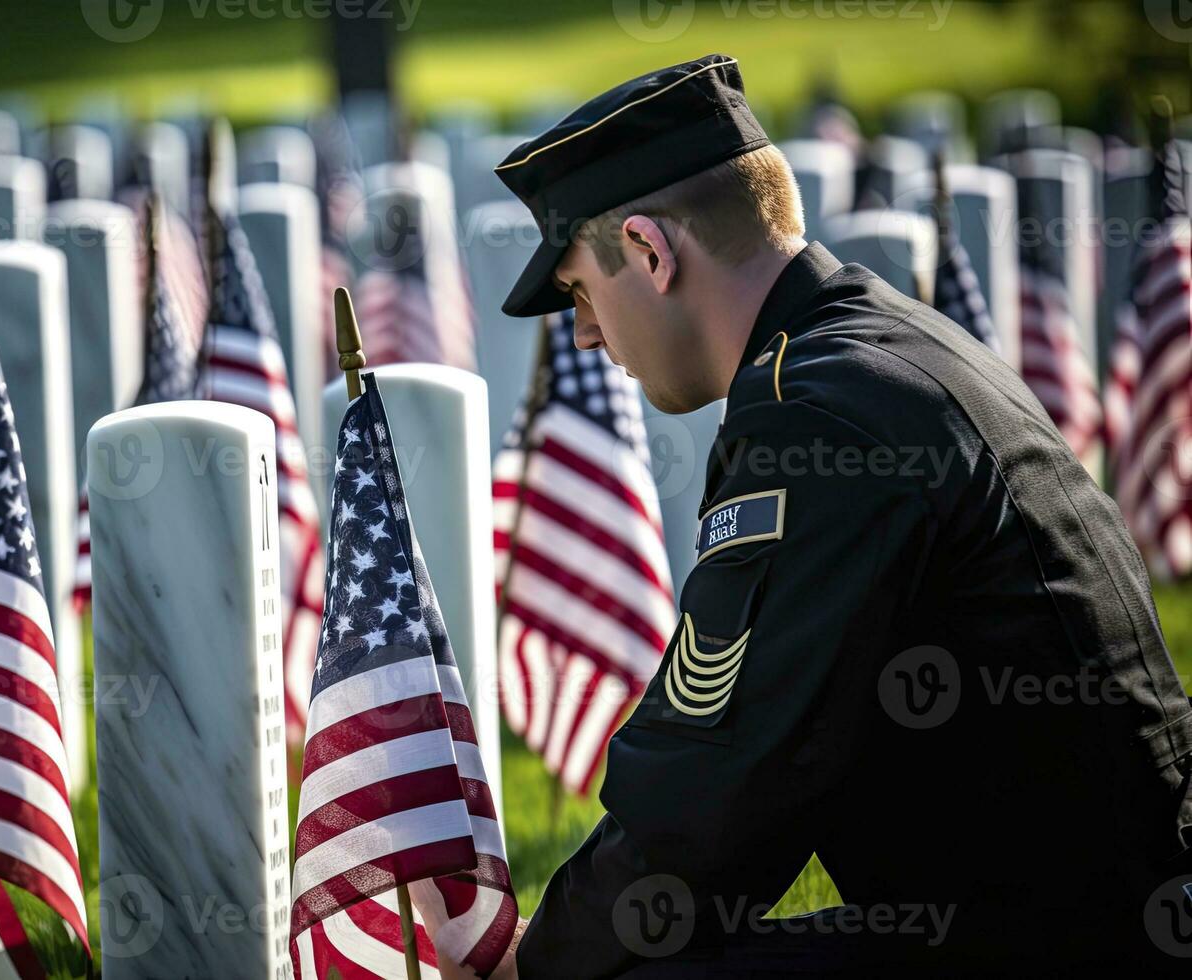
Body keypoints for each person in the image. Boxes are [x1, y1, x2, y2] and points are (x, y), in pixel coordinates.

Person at [459, 54, 1192, 977]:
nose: (587, 334)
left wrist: (539, 962)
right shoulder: (881, 349)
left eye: (578, 292)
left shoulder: (818, 413)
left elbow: (716, 798)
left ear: (649, 252)